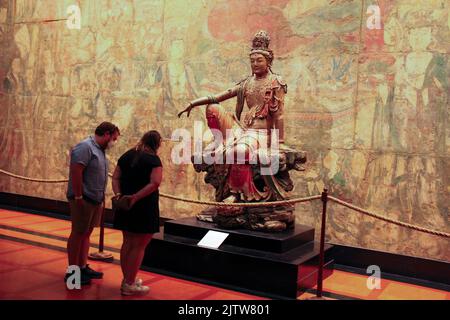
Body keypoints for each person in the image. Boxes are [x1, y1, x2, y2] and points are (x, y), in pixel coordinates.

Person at [178, 30, 287, 203]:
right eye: (252, 61)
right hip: (244, 130)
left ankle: (236, 193)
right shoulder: (246, 83)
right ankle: (219, 141)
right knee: (213, 108)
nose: (255, 64)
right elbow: (217, 97)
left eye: (259, 60)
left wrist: (279, 144)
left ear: (268, 61)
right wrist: (193, 103)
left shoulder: (275, 83)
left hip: (261, 134)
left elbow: (279, 116)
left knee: (238, 151)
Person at [65, 122, 120, 286]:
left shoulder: (99, 150)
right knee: (77, 234)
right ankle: (72, 273)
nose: (114, 142)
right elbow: (76, 172)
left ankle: (82, 267)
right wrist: (78, 197)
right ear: (107, 134)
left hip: (95, 199)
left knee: (86, 234)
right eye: (114, 138)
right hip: (83, 199)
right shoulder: (85, 147)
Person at [112, 130, 163, 296]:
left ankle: (128, 278)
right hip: (144, 207)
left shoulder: (127, 155)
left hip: (125, 205)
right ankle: (129, 283)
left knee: (127, 242)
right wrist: (136, 197)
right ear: (157, 144)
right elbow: (155, 183)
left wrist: (119, 195)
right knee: (139, 245)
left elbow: (115, 177)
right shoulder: (153, 159)